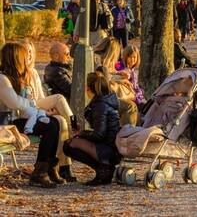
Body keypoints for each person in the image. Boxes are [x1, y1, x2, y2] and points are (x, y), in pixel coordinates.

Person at [0, 42, 64, 187]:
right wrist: (34, 104)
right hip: (7, 124)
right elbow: (15, 103)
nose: (26, 60)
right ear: (15, 58)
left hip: (17, 121)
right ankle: (40, 172)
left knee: (54, 122)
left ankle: (46, 168)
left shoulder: (17, 77)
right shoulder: (2, 79)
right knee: (50, 126)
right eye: (23, 56)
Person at [63, 70, 121, 186]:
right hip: (111, 145)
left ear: (88, 89)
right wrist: (82, 133)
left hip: (108, 149)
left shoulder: (100, 105)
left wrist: (81, 133)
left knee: (69, 144)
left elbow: (99, 135)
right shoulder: (106, 100)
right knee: (74, 141)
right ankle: (104, 169)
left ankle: (104, 169)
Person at [94, 37, 137, 127]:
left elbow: (107, 75)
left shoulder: (98, 58)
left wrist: (118, 74)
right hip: (100, 97)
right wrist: (119, 80)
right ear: (112, 52)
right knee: (131, 106)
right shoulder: (98, 62)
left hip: (101, 95)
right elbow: (103, 81)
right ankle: (126, 135)